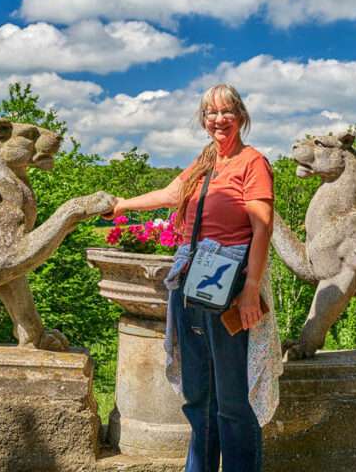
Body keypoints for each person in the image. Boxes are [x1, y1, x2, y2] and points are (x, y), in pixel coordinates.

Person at [109, 83, 281, 472]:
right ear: (203, 120)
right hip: (190, 286)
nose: (218, 120)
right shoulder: (207, 160)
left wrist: (250, 290)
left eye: (226, 112)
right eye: (210, 113)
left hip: (231, 289)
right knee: (199, 396)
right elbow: (171, 193)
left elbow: (262, 226)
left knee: (234, 401)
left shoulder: (252, 163)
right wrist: (120, 205)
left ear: (240, 116)